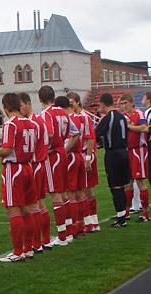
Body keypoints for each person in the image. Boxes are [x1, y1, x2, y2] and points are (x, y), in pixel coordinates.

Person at [0, 93, 37, 262]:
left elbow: (8, 149)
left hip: (14, 169)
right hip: (28, 168)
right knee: (26, 210)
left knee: (13, 209)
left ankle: (18, 252)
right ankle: (28, 248)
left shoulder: (10, 124)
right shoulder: (31, 123)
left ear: (5, 107)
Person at [38, 85, 77, 246]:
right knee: (64, 193)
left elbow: (50, 133)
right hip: (62, 153)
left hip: (53, 154)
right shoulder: (63, 112)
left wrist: (46, 150)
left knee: (55, 193)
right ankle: (68, 230)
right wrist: (65, 149)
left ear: (40, 99)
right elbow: (75, 133)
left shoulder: (46, 114)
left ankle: (62, 235)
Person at [18, 92, 52, 252]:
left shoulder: (31, 121)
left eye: (21, 105)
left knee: (33, 205)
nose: (19, 109)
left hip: (35, 163)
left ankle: (36, 243)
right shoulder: (40, 119)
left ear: (28, 103)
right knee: (40, 203)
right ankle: (44, 240)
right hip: (41, 162)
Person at [95, 93, 130, 228]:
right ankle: (123, 214)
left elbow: (96, 134)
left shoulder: (107, 118)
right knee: (122, 185)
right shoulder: (122, 117)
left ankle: (121, 218)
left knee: (115, 187)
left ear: (103, 104)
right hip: (124, 152)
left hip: (113, 154)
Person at [67, 92, 100, 234]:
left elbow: (90, 137)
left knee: (85, 190)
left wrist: (87, 159)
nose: (70, 105)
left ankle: (91, 222)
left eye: (72, 102)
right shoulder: (70, 117)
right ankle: (90, 222)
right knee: (83, 190)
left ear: (78, 102)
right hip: (78, 155)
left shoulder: (84, 117)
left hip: (85, 154)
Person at [54, 95, 84, 240]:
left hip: (70, 155)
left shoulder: (70, 117)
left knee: (69, 193)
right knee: (78, 192)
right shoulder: (78, 116)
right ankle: (81, 225)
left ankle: (74, 228)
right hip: (77, 155)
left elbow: (77, 135)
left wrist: (64, 151)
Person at [119, 94, 151, 222]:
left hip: (139, 150)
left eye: (125, 103)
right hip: (127, 150)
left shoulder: (139, 114)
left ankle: (146, 213)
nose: (123, 106)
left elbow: (145, 128)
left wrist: (130, 127)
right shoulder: (123, 116)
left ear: (132, 103)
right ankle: (126, 212)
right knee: (127, 183)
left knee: (140, 181)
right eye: (121, 104)